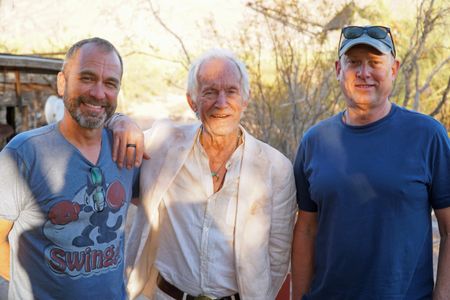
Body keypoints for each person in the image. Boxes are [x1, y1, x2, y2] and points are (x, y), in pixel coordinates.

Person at [111, 49, 297, 300]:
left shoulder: (276, 168)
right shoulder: (163, 143)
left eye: (231, 91)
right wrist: (119, 120)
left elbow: (278, 257)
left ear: (245, 98)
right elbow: (109, 136)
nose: (221, 103)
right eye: (209, 92)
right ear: (192, 102)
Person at [292, 25, 450, 299]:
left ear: (394, 69)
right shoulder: (314, 141)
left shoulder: (427, 136)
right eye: (353, 63)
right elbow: (305, 229)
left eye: (375, 62)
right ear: (338, 70)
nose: (364, 73)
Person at [0, 37, 139, 299]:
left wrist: (123, 120)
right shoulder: (23, 154)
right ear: (62, 82)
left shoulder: (125, 150)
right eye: (87, 78)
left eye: (110, 83)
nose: (99, 93)